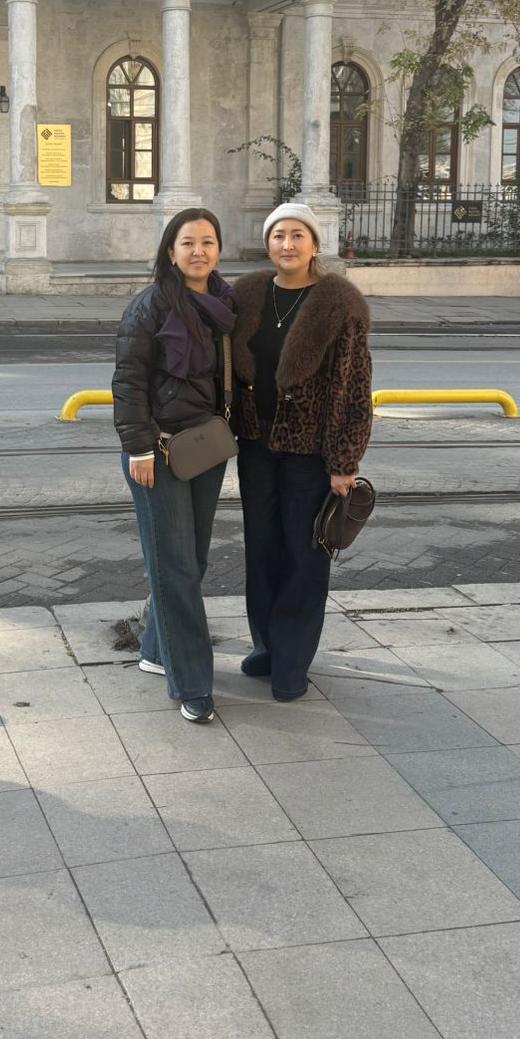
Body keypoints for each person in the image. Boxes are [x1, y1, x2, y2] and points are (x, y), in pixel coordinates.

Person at [232, 203, 372, 700]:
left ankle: (291, 663)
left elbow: (354, 388)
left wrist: (344, 463)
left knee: (305, 555)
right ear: (267, 243)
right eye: (278, 235)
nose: (287, 244)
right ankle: (267, 647)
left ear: (315, 244)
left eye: (297, 235)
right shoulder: (247, 295)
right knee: (261, 550)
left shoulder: (339, 303)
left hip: (310, 452)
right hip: (255, 445)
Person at [113, 209, 237, 724]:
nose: (198, 251)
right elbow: (128, 382)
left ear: (219, 250)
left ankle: (156, 650)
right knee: (176, 566)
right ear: (171, 251)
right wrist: (139, 448)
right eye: (188, 242)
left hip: (204, 447)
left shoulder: (225, 304)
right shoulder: (150, 307)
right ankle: (192, 684)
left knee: (193, 561)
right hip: (158, 453)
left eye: (208, 241)